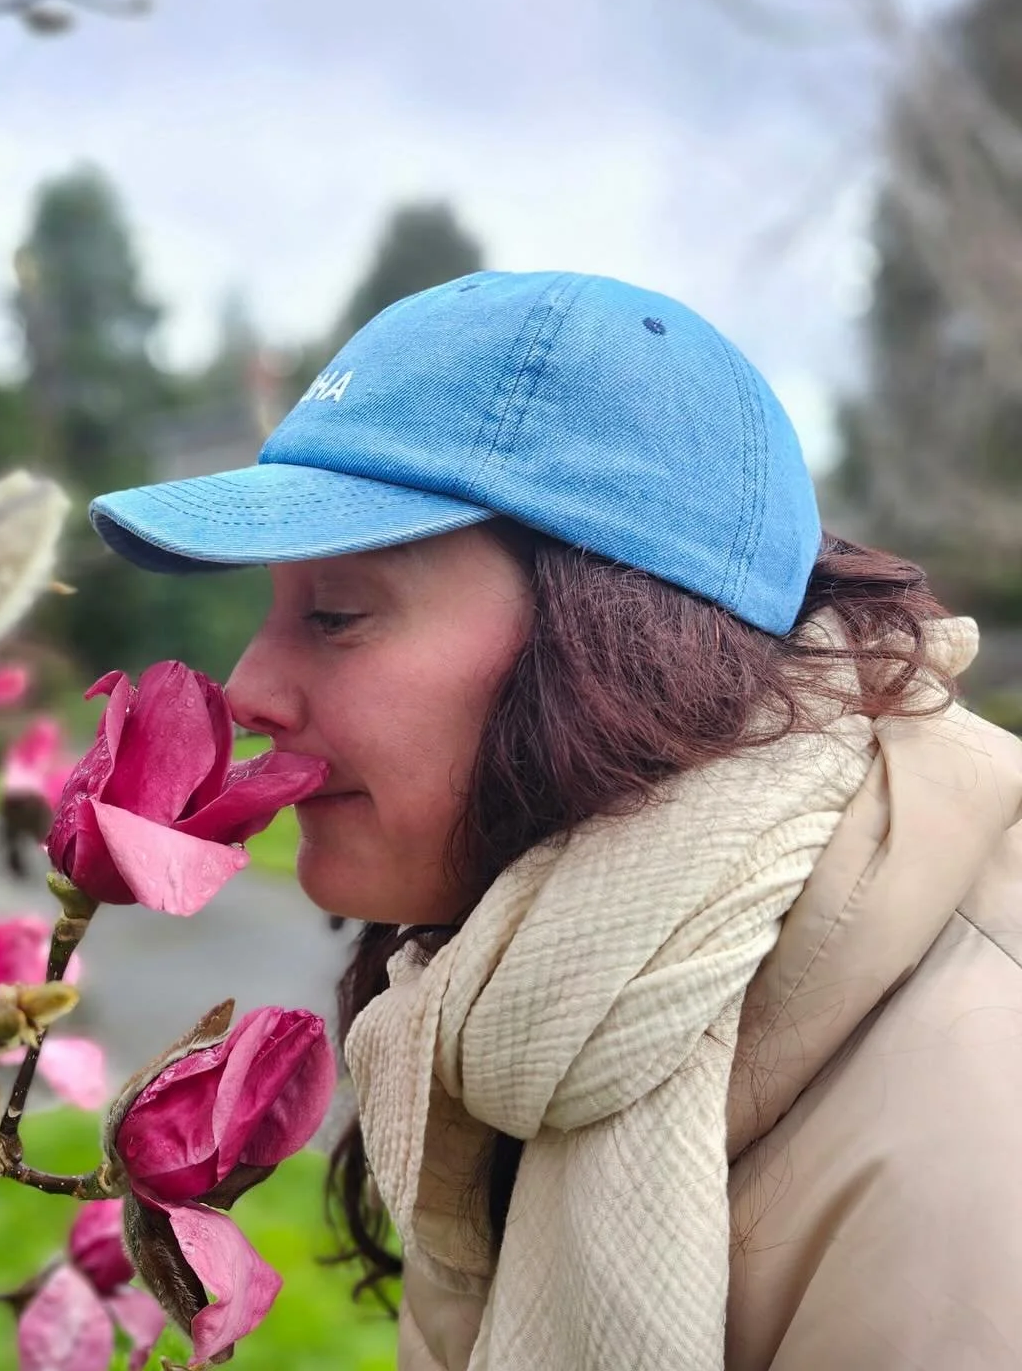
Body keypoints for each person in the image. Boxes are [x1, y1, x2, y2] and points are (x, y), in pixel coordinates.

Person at [88, 270, 1022, 1371]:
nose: (245, 687)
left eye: (336, 615)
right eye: (272, 609)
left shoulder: (965, 1139)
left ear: (615, 650)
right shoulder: (517, 1005)